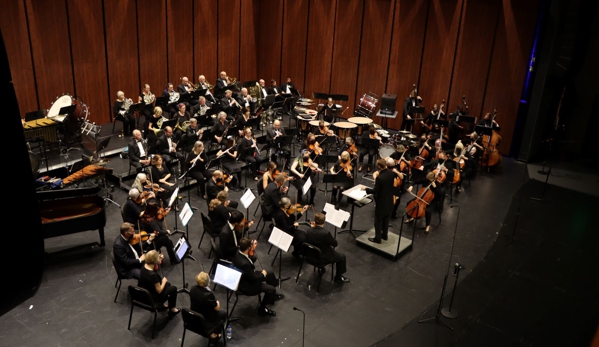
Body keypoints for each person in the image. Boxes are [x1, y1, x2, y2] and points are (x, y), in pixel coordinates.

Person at [233, 237, 284, 316]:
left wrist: (252, 250)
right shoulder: (244, 263)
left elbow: (250, 261)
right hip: (248, 285)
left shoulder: (238, 252)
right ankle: (262, 309)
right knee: (271, 289)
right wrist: (262, 274)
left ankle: (272, 297)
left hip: (247, 276)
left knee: (269, 273)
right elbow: (254, 278)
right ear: (248, 248)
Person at [305, 213, 350, 282]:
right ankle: (338, 278)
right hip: (322, 258)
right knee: (342, 257)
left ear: (314, 221)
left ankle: (321, 268)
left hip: (310, 255)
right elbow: (335, 244)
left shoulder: (309, 230)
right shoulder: (325, 233)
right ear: (324, 221)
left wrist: (313, 227)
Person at [138, 250, 180, 316]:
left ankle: (162, 306)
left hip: (146, 291)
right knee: (173, 288)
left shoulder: (144, 266)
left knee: (168, 285)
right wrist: (163, 281)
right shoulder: (153, 275)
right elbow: (159, 290)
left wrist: (158, 260)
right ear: (154, 261)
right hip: (153, 297)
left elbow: (154, 266)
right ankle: (172, 309)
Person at [362, 159, 395, 243]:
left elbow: (375, 191)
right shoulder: (391, 174)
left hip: (382, 203)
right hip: (389, 200)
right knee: (386, 219)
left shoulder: (380, 178)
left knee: (378, 221)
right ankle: (385, 235)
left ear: (379, 166)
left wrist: (366, 189)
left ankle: (378, 238)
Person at [189, 272, 226, 339]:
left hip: (194, 317)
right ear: (208, 282)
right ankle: (215, 333)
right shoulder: (208, 295)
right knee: (223, 314)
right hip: (205, 318)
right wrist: (217, 301)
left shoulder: (192, 289)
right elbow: (217, 308)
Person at [140, 200, 179, 264]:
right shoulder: (151, 221)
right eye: (156, 208)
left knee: (167, 241)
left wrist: (163, 215)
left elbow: (158, 221)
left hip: (152, 235)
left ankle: (173, 258)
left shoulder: (146, 214)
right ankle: (173, 259)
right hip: (152, 241)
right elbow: (159, 232)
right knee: (165, 239)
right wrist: (167, 231)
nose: (158, 209)